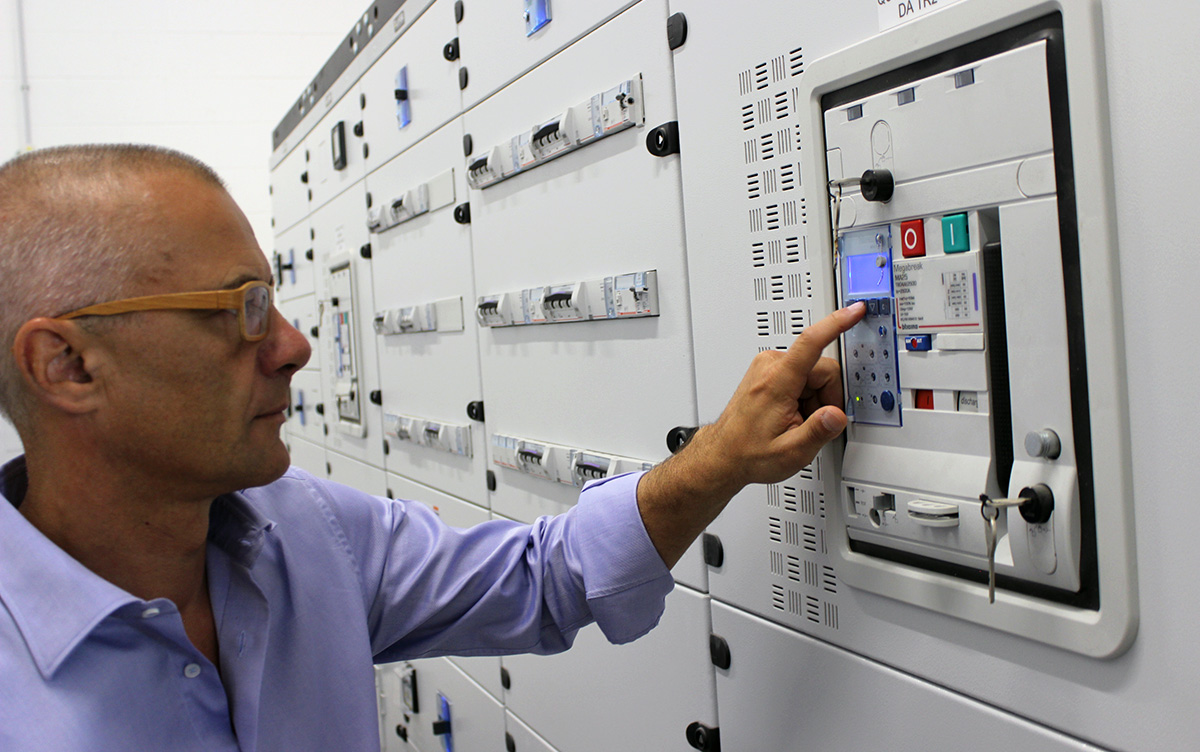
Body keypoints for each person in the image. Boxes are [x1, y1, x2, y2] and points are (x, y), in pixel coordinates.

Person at [0, 144, 866, 751]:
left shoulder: (305, 532)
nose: (296, 346)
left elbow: (542, 578)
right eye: (243, 309)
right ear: (66, 365)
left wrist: (719, 458)